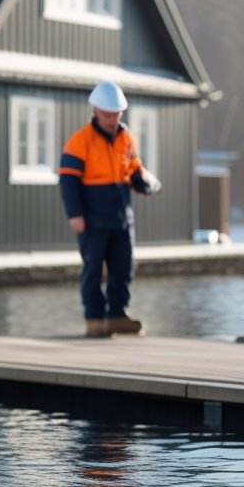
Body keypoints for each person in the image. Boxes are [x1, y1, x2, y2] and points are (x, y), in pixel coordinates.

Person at [58, 81, 160, 338]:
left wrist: (144, 183)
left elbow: (133, 169)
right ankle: (95, 320)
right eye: (107, 114)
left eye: (116, 114)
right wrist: (75, 215)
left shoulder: (127, 138)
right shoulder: (80, 141)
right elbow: (68, 180)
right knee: (93, 270)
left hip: (121, 216)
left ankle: (117, 316)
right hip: (92, 219)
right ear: (95, 110)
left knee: (123, 268)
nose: (111, 119)